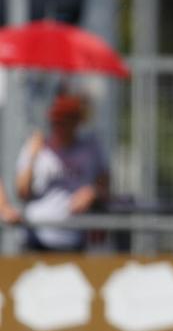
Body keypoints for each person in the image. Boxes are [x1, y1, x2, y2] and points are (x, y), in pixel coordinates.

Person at [16, 93, 109, 251]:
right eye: (55, 121)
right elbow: (22, 191)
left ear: (76, 122)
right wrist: (32, 156)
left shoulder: (90, 149)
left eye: (64, 121)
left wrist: (92, 192)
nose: (58, 126)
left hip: (75, 237)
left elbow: (105, 185)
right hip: (37, 236)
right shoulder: (37, 147)